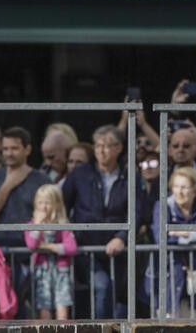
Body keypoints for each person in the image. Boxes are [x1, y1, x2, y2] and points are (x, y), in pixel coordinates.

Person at [62, 124, 144, 319]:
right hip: (86, 247)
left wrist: (122, 237)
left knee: (116, 297)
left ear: (118, 148)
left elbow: (138, 211)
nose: (101, 150)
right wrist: (70, 234)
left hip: (117, 250)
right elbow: (63, 204)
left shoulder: (130, 175)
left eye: (107, 146)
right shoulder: (80, 174)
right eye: (98, 145)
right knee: (102, 287)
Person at [0, 126, 50, 317]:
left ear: (28, 149)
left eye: (14, 148)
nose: (8, 154)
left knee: (34, 315)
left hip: (35, 258)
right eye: (5, 149)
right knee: (2, 314)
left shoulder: (41, 179)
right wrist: (7, 186)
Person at [144, 167, 196, 317]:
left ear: (195, 190)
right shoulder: (162, 207)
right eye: (175, 186)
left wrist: (190, 234)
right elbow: (161, 237)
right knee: (167, 324)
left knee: (191, 325)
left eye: (184, 187)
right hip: (168, 279)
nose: (179, 192)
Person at [25, 184, 77, 320]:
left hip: (61, 273)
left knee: (63, 313)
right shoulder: (31, 225)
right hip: (41, 273)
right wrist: (38, 225)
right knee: (44, 312)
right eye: (40, 202)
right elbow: (31, 244)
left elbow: (71, 247)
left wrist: (48, 246)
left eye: (47, 203)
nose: (43, 207)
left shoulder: (63, 224)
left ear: (56, 204)